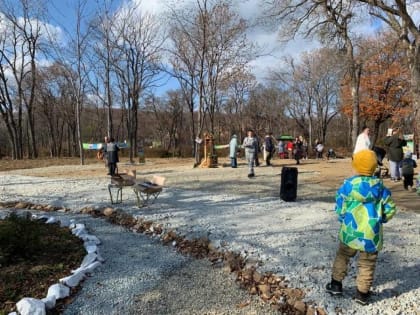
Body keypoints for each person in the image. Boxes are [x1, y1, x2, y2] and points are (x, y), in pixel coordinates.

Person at [326, 149, 397, 305]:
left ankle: (336, 284)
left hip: (350, 231)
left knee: (343, 257)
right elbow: (391, 208)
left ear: (356, 166)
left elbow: (339, 203)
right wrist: (382, 218)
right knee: (367, 264)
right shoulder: (380, 189)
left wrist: (343, 216)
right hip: (371, 235)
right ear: (374, 167)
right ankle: (362, 294)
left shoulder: (348, 186)